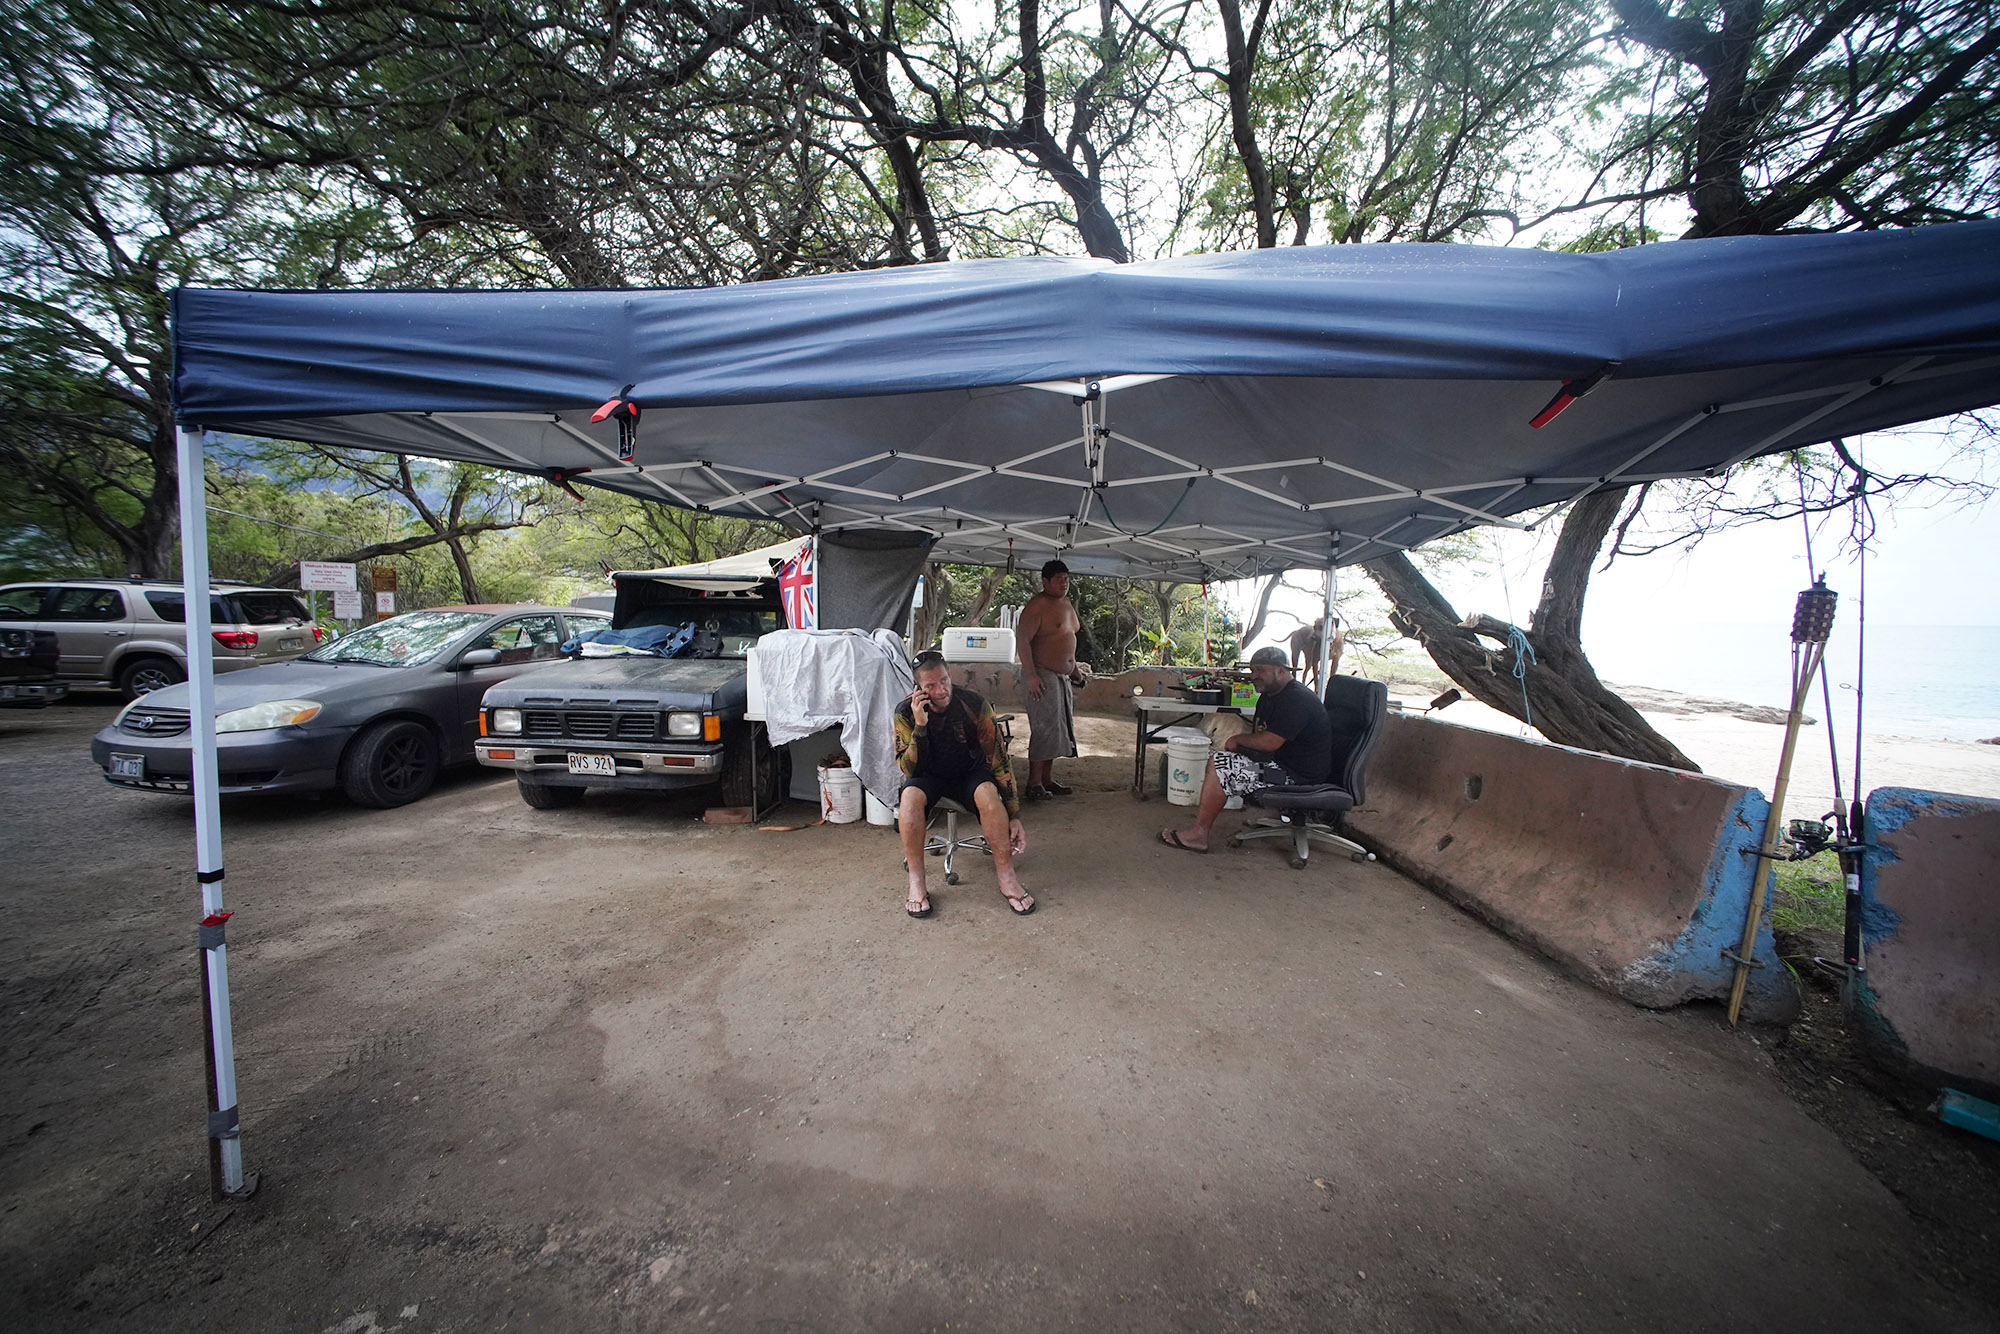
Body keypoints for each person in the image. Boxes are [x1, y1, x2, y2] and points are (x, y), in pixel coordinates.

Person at [894, 651, 1034, 917]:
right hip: (927, 775)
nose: (941, 690)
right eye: (931, 686)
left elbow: (1000, 761)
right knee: (909, 797)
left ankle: (1007, 877)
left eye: (944, 680)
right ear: (918, 689)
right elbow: (907, 768)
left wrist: (1014, 815)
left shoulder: (974, 704)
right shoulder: (904, 712)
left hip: (968, 772)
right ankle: (917, 882)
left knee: (989, 794)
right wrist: (921, 725)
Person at [1161, 646, 1331, 853]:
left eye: (1260, 670)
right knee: (1232, 756)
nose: (1254, 676)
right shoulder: (1270, 696)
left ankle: (1199, 835)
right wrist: (1242, 746)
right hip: (1283, 765)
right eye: (1252, 670)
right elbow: (1261, 734)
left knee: (1220, 764)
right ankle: (1275, 816)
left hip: (1298, 777)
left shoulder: (1297, 699)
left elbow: (1269, 742)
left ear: (1281, 670)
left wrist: (1238, 739)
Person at [1015, 558, 1084, 800]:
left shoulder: (1065, 604)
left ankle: (1046, 780)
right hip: (1041, 674)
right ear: (1045, 581)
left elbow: (1065, 639)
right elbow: (1022, 640)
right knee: (1043, 729)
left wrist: (1074, 671)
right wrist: (1032, 676)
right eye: (1058, 580)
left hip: (1061, 677)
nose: (1064, 584)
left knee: (1057, 730)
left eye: (1066, 579)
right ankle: (1033, 784)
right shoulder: (1037, 605)